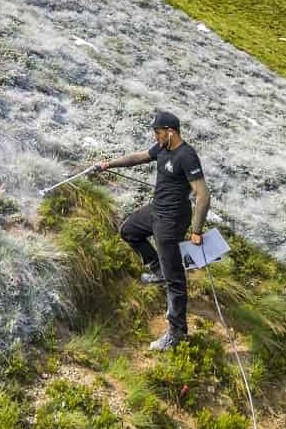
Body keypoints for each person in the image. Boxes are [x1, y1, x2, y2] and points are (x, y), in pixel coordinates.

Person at [89, 110, 210, 351]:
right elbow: (140, 157)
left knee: (175, 278)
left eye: (158, 132)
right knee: (129, 231)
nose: (156, 136)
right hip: (156, 210)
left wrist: (196, 230)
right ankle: (157, 269)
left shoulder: (187, 156)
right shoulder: (162, 148)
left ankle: (176, 333)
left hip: (172, 219)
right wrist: (109, 164)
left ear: (171, 132)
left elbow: (203, 195)